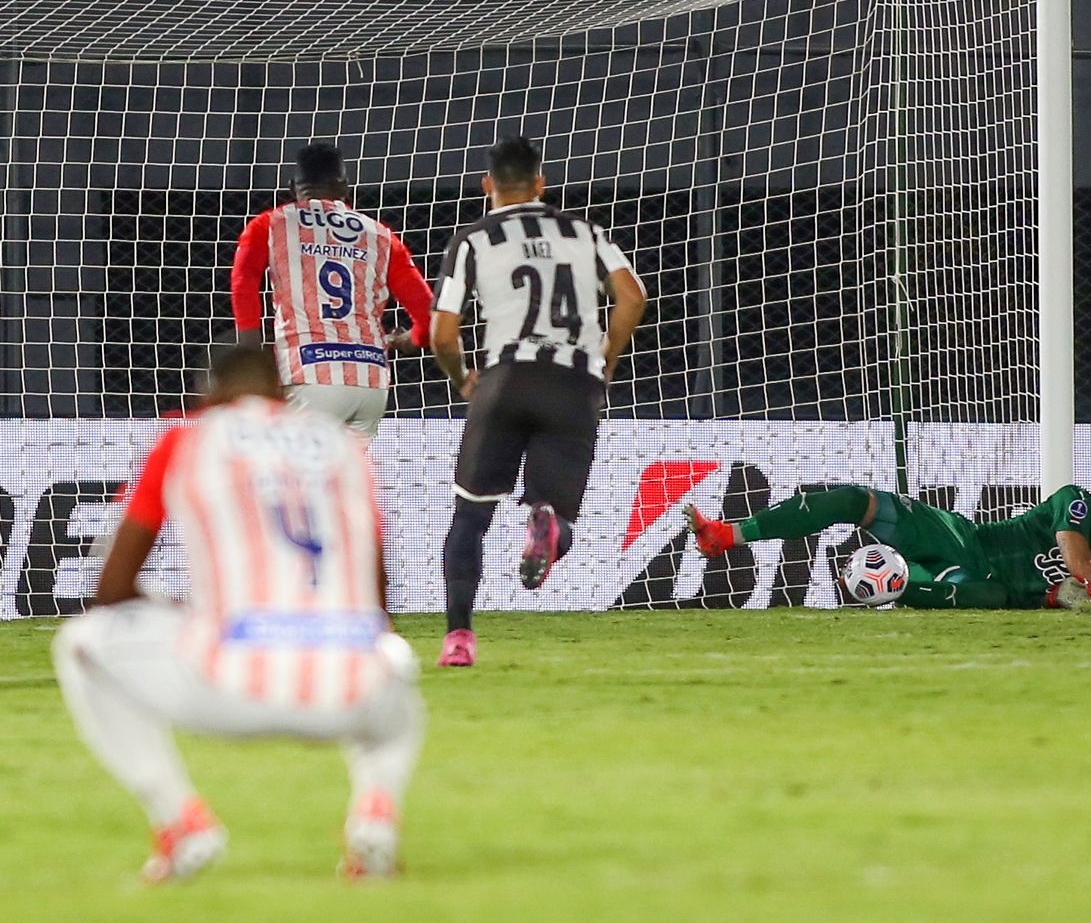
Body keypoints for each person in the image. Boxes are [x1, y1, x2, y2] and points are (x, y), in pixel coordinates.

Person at [50, 346, 424, 883]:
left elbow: (110, 588)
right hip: (347, 693)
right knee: (392, 662)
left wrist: (183, 612)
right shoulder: (344, 446)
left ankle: (182, 824)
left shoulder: (188, 438)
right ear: (282, 393)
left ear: (210, 392)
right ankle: (375, 819)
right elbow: (376, 593)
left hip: (228, 687)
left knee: (82, 644)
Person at [429, 136, 647, 667]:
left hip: (505, 379)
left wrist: (462, 377)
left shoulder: (474, 238)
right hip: (573, 384)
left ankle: (459, 637)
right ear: (541, 184)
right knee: (558, 511)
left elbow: (442, 331)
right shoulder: (585, 231)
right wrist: (609, 355)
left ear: (488, 186)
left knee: (470, 518)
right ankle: (546, 521)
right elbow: (633, 296)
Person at [682, 466, 1091, 611]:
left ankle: (885, 585)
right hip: (958, 536)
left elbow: (1070, 591)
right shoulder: (1074, 500)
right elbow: (1079, 566)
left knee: (989, 595)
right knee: (855, 500)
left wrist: (1060, 599)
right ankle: (726, 535)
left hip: (976, 583)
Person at [229, 141, 435, 436]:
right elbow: (429, 315)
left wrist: (250, 351)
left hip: (309, 374)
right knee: (345, 480)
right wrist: (409, 339)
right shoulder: (381, 236)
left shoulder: (270, 225)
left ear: (292, 188)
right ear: (344, 187)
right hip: (370, 382)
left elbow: (243, 283)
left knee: (297, 479)